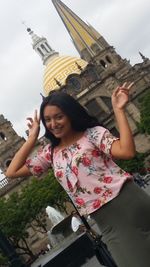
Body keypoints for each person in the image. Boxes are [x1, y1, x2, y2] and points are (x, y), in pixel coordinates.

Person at [6, 82, 150, 267]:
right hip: (103, 220)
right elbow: (12, 172)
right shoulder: (50, 153)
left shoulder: (92, 134)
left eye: (58, 117)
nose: (53, 124)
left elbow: (127, 152)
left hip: (128, 201)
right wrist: (32, 138)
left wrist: (118, 110)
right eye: (47, 120)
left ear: (70, 114)